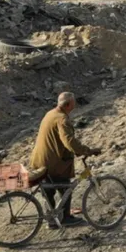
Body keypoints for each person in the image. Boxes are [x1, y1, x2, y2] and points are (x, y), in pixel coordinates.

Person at [29, 92, 101, 227]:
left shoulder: (50, 113)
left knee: (48, 191)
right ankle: (66, 218)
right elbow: (69, 142)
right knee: (65, 188)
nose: (75, 105)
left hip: (40, 159)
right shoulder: (62, 119)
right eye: (73, 103)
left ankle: (52, 220)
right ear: (68, 105)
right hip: (52, 163)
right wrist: (87, 151)